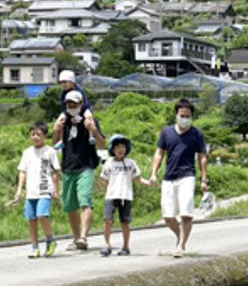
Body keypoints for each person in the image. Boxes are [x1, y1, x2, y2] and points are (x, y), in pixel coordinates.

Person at [149, 98, 209, 258]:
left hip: (187, 176)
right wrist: (154, 173)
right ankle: (180, 235)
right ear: (176, 115)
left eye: (188, 116)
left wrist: (203, 179)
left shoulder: (197, 134)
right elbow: (159, 153)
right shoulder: (166, 132)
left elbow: (202, 157)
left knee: (186, 213)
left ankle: (181, 245)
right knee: (168, 216)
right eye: (182, 115)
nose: (185, 119)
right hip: (168, 177)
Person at [52, 89, 105, 250]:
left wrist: (94, 130)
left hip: (86, 166)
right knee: (69, 206)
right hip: (68, 167)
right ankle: (76, 239)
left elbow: (102, 144)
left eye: (75, 103)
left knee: (85, 200)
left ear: (81, 104)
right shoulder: (64, 122)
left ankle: (83, 237)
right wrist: (55, 130)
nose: (72, 106)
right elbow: (54, 145)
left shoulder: (89, 120)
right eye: (69, 104)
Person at [12, 121, 60, 258]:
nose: (35, 137)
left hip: (45, 190)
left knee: (41, 215)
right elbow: (22, 172)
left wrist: (56, 191)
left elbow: (55, 172)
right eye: (32, 134)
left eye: (38, 134)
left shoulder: (50, 152)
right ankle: (34, 247)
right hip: (31, 192)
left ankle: (50, 240)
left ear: (45, 135)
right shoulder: (27, 153)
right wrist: (19, 190)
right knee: (31, 219)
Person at [99, 133, 150, 256]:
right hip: (111, 196)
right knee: (107, 220)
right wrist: (106, 194)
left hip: (125, 196)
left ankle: (126, 246)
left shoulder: (130, 163)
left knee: (125, 222)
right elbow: (105, 180)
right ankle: (107, 245)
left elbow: (137, 178)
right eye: (117, 147)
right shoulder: (108, 163)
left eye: (123, 147)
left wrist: (148, 183)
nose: (120, 149)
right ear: (112, 149)